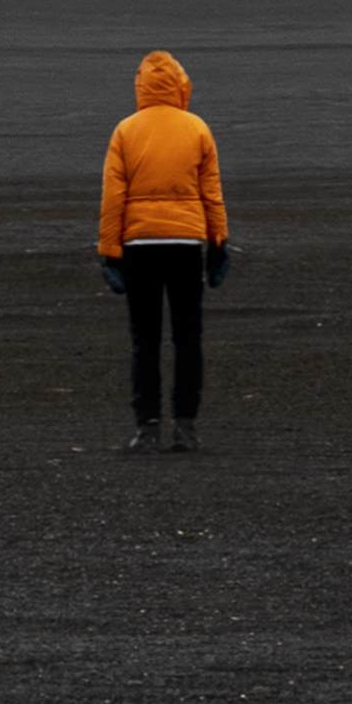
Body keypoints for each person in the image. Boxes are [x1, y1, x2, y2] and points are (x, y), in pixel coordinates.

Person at [93, 48, 231, 452]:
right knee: (188, 338)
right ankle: (185, 426)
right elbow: (213, 195)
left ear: (140, 86)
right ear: (180, 84)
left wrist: (109, 251)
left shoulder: (125, 131)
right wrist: (219, 245)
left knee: (145, 340)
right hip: (187, 245)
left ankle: (147, 427)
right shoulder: (197, 129)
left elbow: (113, 197)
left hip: (139, 248)